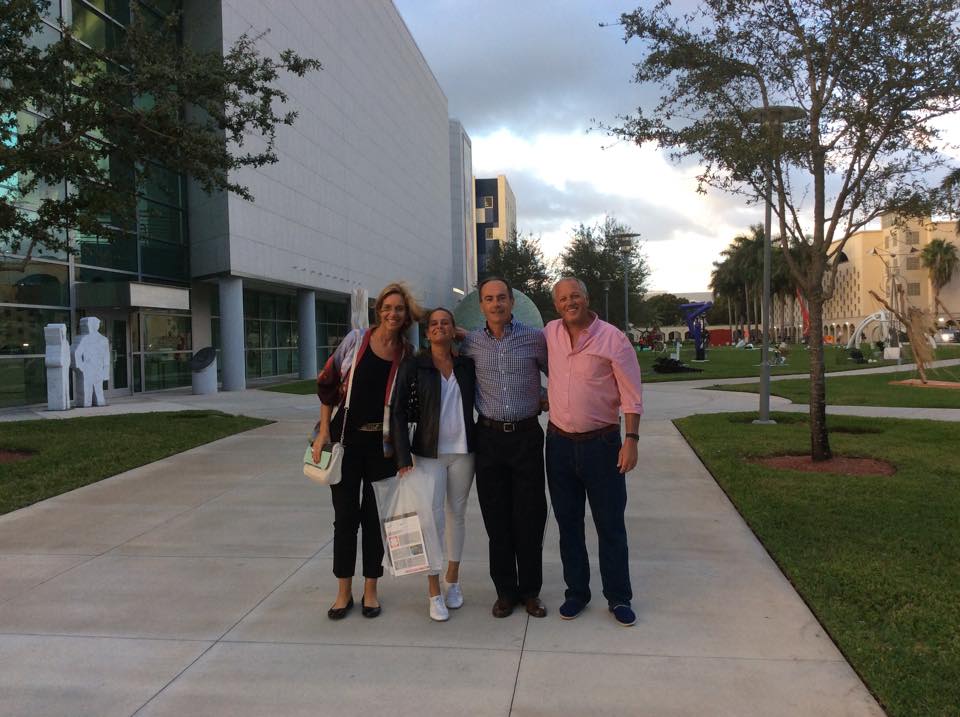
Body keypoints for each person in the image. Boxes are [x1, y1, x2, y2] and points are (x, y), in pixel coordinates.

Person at [313, 283, 421, 620]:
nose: (392, 313)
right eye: (387, 307)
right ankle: (343, 591)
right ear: (379, 311)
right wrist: (323, 432)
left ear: (406, 315)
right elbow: (328, 383)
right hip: (346, 443)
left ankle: (371, 590)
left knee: (376, 521)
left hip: (383, 448)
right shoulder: (356, 340)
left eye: (399, 308)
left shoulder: (408, 354)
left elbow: (410, 404)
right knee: (345, 519)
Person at [544, 277, 643, 626]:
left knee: (610, 524)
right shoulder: (550, 333)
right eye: (562, 299)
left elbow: (631, 394)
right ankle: (577, 593)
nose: (569, 303)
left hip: (602, 445)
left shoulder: (613, 339)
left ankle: (619, 597)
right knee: (568, 524)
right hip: (558, 445)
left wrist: (631, 439)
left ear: (586, 299)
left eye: (575, 296)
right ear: (556, 305)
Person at [459, 277, 549, 618]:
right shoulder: (471, 343)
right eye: (489, 299)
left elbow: (560, 375)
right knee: (496, 519)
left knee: (530, 517)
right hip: (489, 439)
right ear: (481, 305)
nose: (495, 304)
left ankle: (531, 591)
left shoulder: (534, 339)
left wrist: (546, 396)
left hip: (526, 437)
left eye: (501, 298)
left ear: (512, 301)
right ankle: (505, 592)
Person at [391, 307, 477, 622]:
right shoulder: (414, 365)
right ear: (427, 333)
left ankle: (452, 580)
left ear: (454, 329)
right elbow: (397, 411)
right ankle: (433, 591)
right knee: (431, 521)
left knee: (457, 516)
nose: (440, 327)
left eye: (446, 323)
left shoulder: (466, 365)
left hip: (464, 452)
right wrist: (402, 457)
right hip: (428, 454)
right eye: (434, 324)